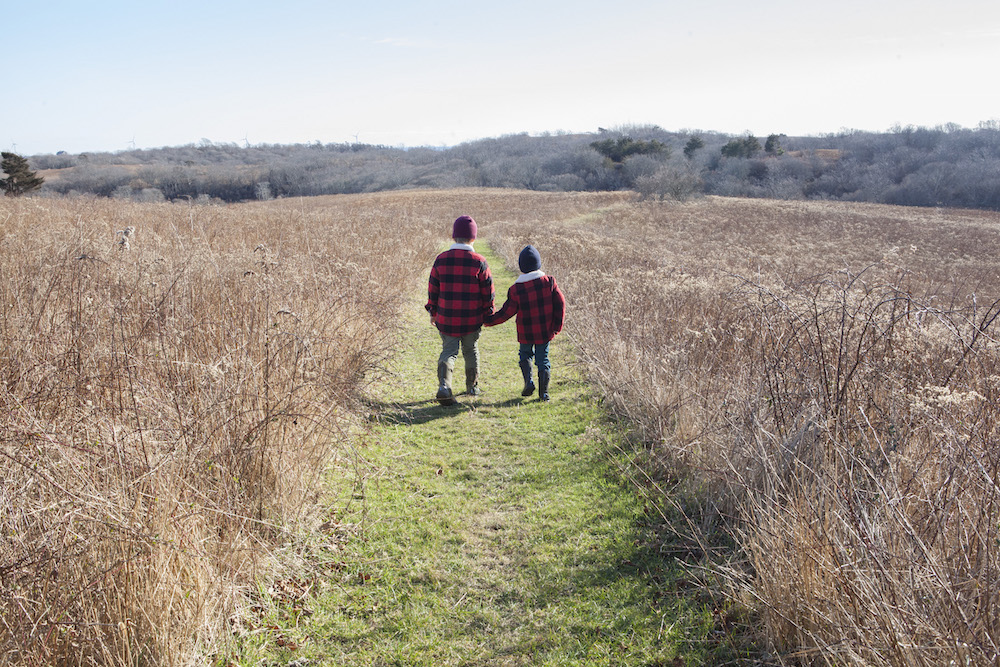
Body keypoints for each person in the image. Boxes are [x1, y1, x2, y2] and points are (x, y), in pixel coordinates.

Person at [425, 215, 495, 406]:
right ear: (474, 238)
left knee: (448, 351)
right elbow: (488, 292)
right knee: (471, 350)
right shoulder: (479, 261)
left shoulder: (441, 260)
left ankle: (444, 387)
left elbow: (433, 289)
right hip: (472, 319)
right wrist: (488, 313)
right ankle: (472, 386)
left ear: (453, 236)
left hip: (446, 318)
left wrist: (433, 312)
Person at [484, 244, 565, 401]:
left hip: (525, 331)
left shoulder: (516, 289)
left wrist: (489, 321)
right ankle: (544, 394)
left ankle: (529, 382)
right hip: (545, 330)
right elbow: (561, 304)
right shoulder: (549, 282)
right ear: (538, 264)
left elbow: (507, 312)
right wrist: (557, 326)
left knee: (525, 355)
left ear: (521, 267)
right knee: (543, 359)